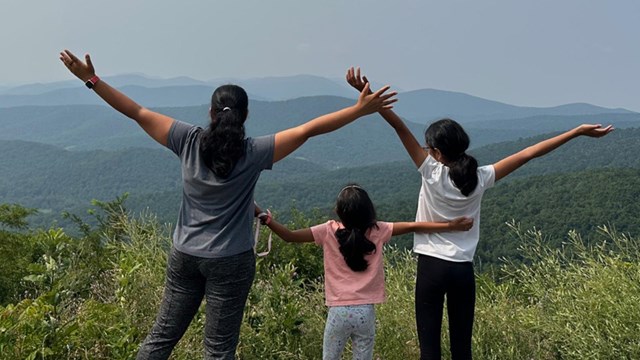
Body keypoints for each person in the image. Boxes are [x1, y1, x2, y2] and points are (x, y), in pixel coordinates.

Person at [59, 50, 397, 360]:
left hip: (185, 255)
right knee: (219, 350)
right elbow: (308, 130)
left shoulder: (187, 139)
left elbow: (136, 111)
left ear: (210, 112)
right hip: (231, 261)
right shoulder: (253, 152)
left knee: (162, 336)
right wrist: (358, 110)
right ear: (245, 115)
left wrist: (92, 79)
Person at [345, 67, 613, 360]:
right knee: (463, 349)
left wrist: (368, 95)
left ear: (434, 151)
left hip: (431, 267)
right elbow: (530, 153)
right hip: (462, 269)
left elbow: (398, 127)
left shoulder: (430, 171)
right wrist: (576, 132)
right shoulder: (481, 177)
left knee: (429, 351)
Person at [254, 184, 474, 360]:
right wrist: (449, 226)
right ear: (369, 211)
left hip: (337, 312)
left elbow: (289, 236)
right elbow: (413, 226)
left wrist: (266, 218)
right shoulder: (378, 230)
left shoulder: (327, 231)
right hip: (365, 313)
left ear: (339, 212)